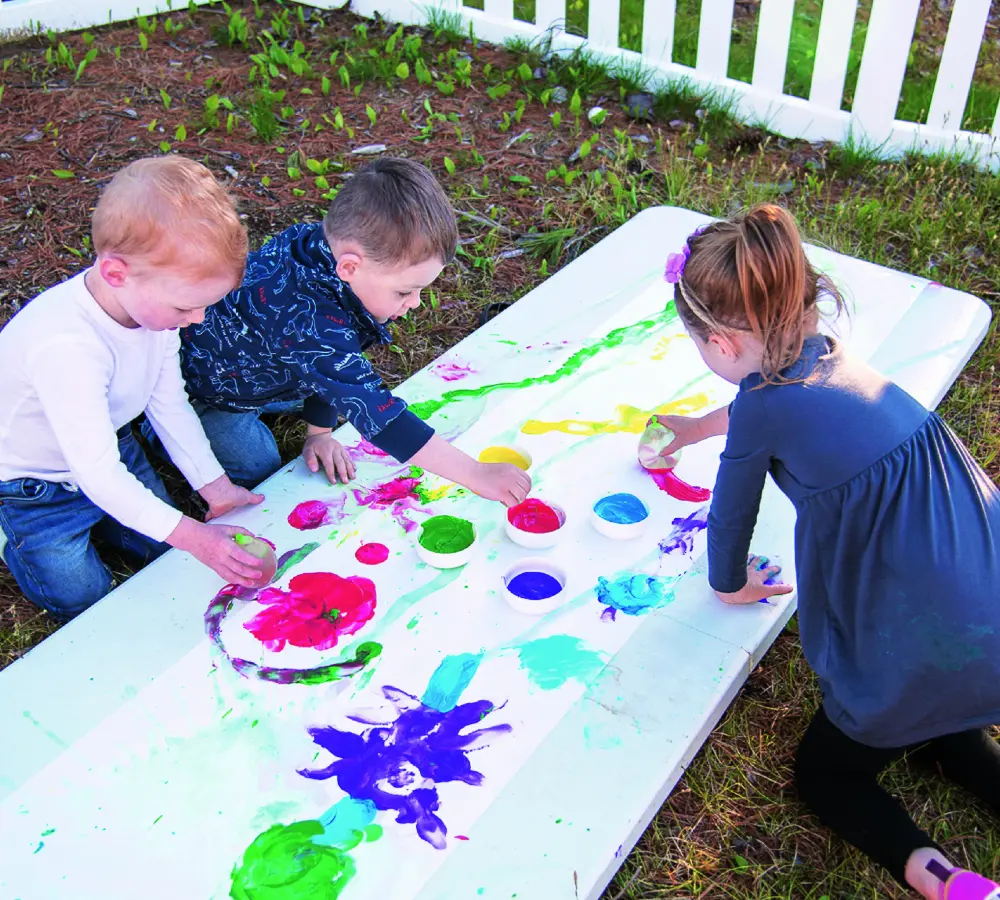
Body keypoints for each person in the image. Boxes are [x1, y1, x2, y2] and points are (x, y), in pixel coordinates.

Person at [655, 204, 1000, 900]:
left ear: (719, 343)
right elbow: (764, 404)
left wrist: (729, 583)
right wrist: (695, 428)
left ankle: (942, 879)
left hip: (916, 649)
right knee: (950, 728)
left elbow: (732, 515)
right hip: (987, 609)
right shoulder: (828, 355)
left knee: (828, 773)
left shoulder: (762, 406)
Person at [0, 157, 270, 619]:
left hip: (113, 448)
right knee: (81, 595)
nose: (197, 319)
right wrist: (193, 535)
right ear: (116, 273)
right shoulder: (65, 346)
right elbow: (97, 474)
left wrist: (215, 486)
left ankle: (117, 517)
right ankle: (10, 536)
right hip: (34, 487)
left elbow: (169, 406)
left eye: (205, 306)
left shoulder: (154, 315)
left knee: (163, 556)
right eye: (186, 307)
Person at [175, 157, 530, 507]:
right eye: (405, 291)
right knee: (262, 468)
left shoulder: (321, 250)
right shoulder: (306, 319)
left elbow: (330, 363)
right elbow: (379, 416)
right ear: (350, 266)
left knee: (333, 378)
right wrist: (475, 473)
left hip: (269, 363)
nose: (415, 303)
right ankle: (164, 433)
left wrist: (319, 432)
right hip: (211, 392)